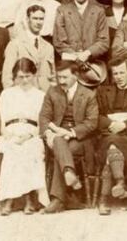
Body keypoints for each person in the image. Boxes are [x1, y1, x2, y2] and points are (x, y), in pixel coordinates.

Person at [40, 61, 99, 213]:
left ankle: (58, 199)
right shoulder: (52, 92)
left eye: (65, 77)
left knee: (62, 147)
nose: (61, 81)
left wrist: (71, 132)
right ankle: (68, 175)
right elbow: (44, 117)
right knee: (59, 142)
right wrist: (48, 133)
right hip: (56, 134)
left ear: (76, 75)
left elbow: (91, 123)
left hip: (79, 139)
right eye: (59, 77)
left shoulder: (89, 94)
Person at [0, 58, 49, 215]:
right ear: (14, 77)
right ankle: (9, 199)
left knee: (30, 149)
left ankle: (29, 199)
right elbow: (1, 121)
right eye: (20, 77)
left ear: (34, 75)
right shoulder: (6, 94)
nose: (24, 80)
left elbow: (42, 123)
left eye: (27, 76)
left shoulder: (41, 95)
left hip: (32, 134)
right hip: (10, 133)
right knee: (12, 150)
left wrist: (28, 135)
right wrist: (9, 135)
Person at [95, 57, 127, 215]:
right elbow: (96, 115)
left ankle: (104, 199)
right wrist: (110, 124)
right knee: (112, 142)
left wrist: (125, 125)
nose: (118, 77)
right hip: (109, 132)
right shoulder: (103, 91)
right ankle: (120, 183)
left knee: (113, 146)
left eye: (122, 72)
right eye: (115, 73)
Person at [53, 0, 110, 69]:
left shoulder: (98, 11)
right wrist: (76, 57)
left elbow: (104, 41)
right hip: (70, 65)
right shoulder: (62, 10)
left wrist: (87, 53)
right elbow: (59, 41)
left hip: (94, 63)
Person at [2, 5, 56, 91]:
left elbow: (53, 77)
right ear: (27, 19)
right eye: (35, 18)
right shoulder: (15, 44)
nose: (38, 22)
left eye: (41, 19)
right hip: (23, 96)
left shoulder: (48, 47)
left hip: (44, 97)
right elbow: (7, 77)